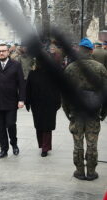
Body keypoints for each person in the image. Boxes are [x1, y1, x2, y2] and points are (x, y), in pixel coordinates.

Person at [62, 38, 107, 181]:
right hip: (93, 112)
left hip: (76, 111)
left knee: (78, 142)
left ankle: (79, 171)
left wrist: (67, 111)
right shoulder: (100, 68)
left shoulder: (70, 68)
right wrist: (104, 112)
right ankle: (91, 172)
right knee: (92, 143)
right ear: (91, 51)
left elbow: (65, 94)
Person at [0, 43, 25, 159]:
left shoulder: (16, 65)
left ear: (8, 52)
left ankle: (14, 143)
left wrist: (21, 99)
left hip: (12, 101)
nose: (1, 53)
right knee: (0, 127)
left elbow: (21, 84)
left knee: (11, 124)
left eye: (3, 51)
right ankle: (3, 149)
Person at [25, 60, 61, 157]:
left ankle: (45, 147)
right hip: (36, 104)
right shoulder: (32, 73)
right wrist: (27, 102)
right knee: (39, 125)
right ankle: (42, 145)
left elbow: (58, 89)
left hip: (50, 104)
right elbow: (28, 88)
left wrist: (58, 102)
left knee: (47, 126)